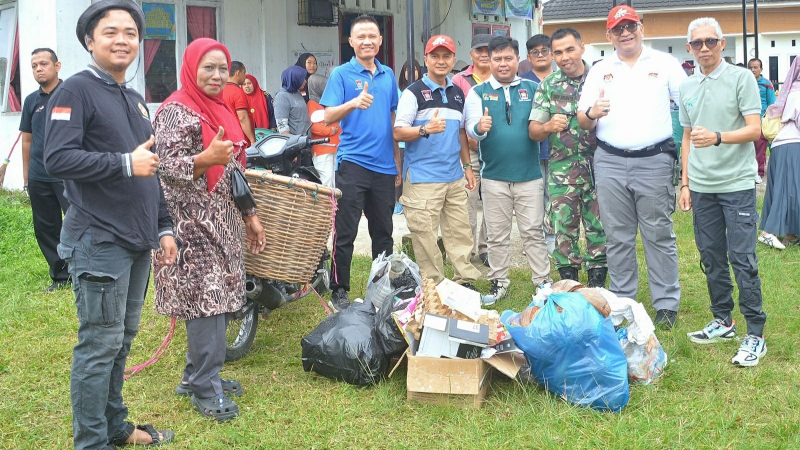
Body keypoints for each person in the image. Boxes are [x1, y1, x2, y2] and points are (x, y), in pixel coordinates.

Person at [43, 1, 177, 447]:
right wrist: (124, 162)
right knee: (99, 346)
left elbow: (149, 169)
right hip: (99, 239)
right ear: (89, 41)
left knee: (121, 341)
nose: (122, 40)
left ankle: (116, 427)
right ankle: (92, 441)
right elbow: (57, 157)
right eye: (110, 32)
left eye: (131, 33)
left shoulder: (134, 100)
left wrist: (163, 226)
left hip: (137, 241)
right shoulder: (74, 91)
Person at [152, 37, 266, 421]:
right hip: (189, 226)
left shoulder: (218, 109)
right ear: (191, 68)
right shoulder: (174, 111)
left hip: (223, 223)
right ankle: (204, 386)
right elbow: (163, 168)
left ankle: (196, 375)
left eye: (222, 68)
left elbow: (232, 170)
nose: (217, 76)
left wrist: (249, 214)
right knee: (205, 302)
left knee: (218, 302)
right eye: (208, 68)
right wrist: (204, 159)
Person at [578, 5, 686, 329]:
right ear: (609, 35)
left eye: (631, 26)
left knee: (658, 234)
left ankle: (666, 304)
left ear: (642, 27)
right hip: (609, 161)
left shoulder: (665, 64)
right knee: (617, 236)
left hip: (653, 160)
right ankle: (623, 302)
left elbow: (689, 106)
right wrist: (593, 111)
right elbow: (583, 120)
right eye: (618, 28)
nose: (625, 33)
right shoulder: (599, 69)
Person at [678, 18, 767, 366]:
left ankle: (755, 334)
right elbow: (686, 136)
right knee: (711, 255)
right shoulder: (687, 86)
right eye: (697, 43)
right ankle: (723, 320)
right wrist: (685, 184)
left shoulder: (741, 78)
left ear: (722, 44)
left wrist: (717, 137)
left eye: (710, 41)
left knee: (742, 258)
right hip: (701, 186)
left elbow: (755, 130)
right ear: (689, 48)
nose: (704, 48)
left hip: (737, 183)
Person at [320, 14, 400, 312]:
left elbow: (393, 118)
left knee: (384, 232)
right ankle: (339, 288)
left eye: (373, 36)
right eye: (360, 36)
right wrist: (353, 102)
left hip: (384, 167)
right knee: (346, 230)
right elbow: (327, 116)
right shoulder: (341, 74)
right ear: (351, 41)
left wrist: (397, 159)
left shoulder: (388, 75)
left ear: (380, 41)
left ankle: (382, 288)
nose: (367, 41)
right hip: (352, 163)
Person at [465, 36, 550, 305]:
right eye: (497, 59)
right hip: (494, 177)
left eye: (508, 58)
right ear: (488, 61)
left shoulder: (532, 88)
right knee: (496, 234)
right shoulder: (477, 93)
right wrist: (480, 128)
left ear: (517, 60)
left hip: (529, 175)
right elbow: (469, 129)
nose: (503, 64)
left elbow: (542, 123)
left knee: (533, 231)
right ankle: (499, 282)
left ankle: (542, 282)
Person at [393, 35, 480, 288]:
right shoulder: (414, 93)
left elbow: (462, 132)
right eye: (435, 56)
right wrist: (424, 130)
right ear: (426, 59)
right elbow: (398, 132)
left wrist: (467, 168)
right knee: (425, 237)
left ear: (454, 59)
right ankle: (435, 286)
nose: (441, 61)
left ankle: (465, 282)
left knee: (459, 232)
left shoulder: (457, 94)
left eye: (446, 56)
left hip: (453, 176)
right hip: (422, 178)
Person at [529, 27, 608, 287]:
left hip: (601, 167)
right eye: (558, 52)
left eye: (570, 49)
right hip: (563, 171)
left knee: (600, 226)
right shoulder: (549, 86)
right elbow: (533, 132)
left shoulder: (601, 80)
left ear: (582, 48)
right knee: (564, 229)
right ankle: (569, 284)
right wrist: (548, 126)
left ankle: (598, 283)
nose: (564, 57)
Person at [19, 48, 70, 293]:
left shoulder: (72, 95)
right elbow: (26, 140)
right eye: (34, 66)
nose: (38, 69)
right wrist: (27, 177)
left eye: (43, 64)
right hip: (39, 176)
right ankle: (61, 276)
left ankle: (86, 272)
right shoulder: (31, 101)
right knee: (46, 227)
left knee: (79, 223)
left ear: (57, 66)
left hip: (68, 175)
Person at [452, 34, 492, 266]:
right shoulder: (459, 80)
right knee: (467, 200)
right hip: (469, 151)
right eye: (479, 50)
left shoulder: (502, 77)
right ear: (471, 54)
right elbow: (456, 118)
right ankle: (466, 250)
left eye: (488, 50)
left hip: (496, 152)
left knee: (492, 202)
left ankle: (487, 249)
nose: (484, 54)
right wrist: (469, 138)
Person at [520, 33, 556, 255]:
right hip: (530, 150)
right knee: (532, 198)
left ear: (551, 54)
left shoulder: (563, 79)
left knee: (553, 196)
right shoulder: (522, 82)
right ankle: (533, 241)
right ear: (528, 56)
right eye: (536, 52)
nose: (541, 55)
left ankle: (552, 239)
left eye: (545, 51)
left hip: (558, 150)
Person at [761, 58, 800, 248]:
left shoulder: (791, 90)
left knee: (789, 189)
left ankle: (791, 234)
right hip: (791, 145)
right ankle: (768, 232)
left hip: (783, 145)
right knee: (788, 191)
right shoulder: (797, 92)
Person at [394, 58, 422, 215]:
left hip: (418, 139)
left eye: (415, 69)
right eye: (407, 70)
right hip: (401, 141)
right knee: (399, 172)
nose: (411, 73)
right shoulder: (399, 92)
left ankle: (410, 201)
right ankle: (399, 202)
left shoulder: (423, 91)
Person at [307, 73, 340, 187]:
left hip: (335, 147)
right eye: (323, 86)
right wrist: (330, 131)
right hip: (322, 149)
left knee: (336, 180)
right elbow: (314, 127)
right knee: (326, 181)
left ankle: (335, 205)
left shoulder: (328, 102)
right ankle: (326, 205)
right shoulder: (312, 104)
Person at [748, 58, 776, 186]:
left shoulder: (766, 84)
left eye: (755, 67)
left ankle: (759, 173)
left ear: (761, 69)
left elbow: (772, 104)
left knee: (760, 149)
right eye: (751, 67)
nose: (753, 70)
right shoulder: (745, 82)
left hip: (761, 122)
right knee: (747, 148)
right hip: (746, 121)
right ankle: (748, 172)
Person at [221, 60, 256, 144]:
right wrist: (252, 140)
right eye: (244, 73)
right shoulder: (237, 92)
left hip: (225, 137)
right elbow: (242, 118)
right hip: (239, 139)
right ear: (238, 73)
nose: (245, 76)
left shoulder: (219, 90)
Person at [274, 66, 311, 136]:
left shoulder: (297, 93)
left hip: (304, 141)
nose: (305, 81)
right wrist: (291, 144)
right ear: (294, 79)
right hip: (295, 143)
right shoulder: (282, 97)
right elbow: (282, 126)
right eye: (302, 79)